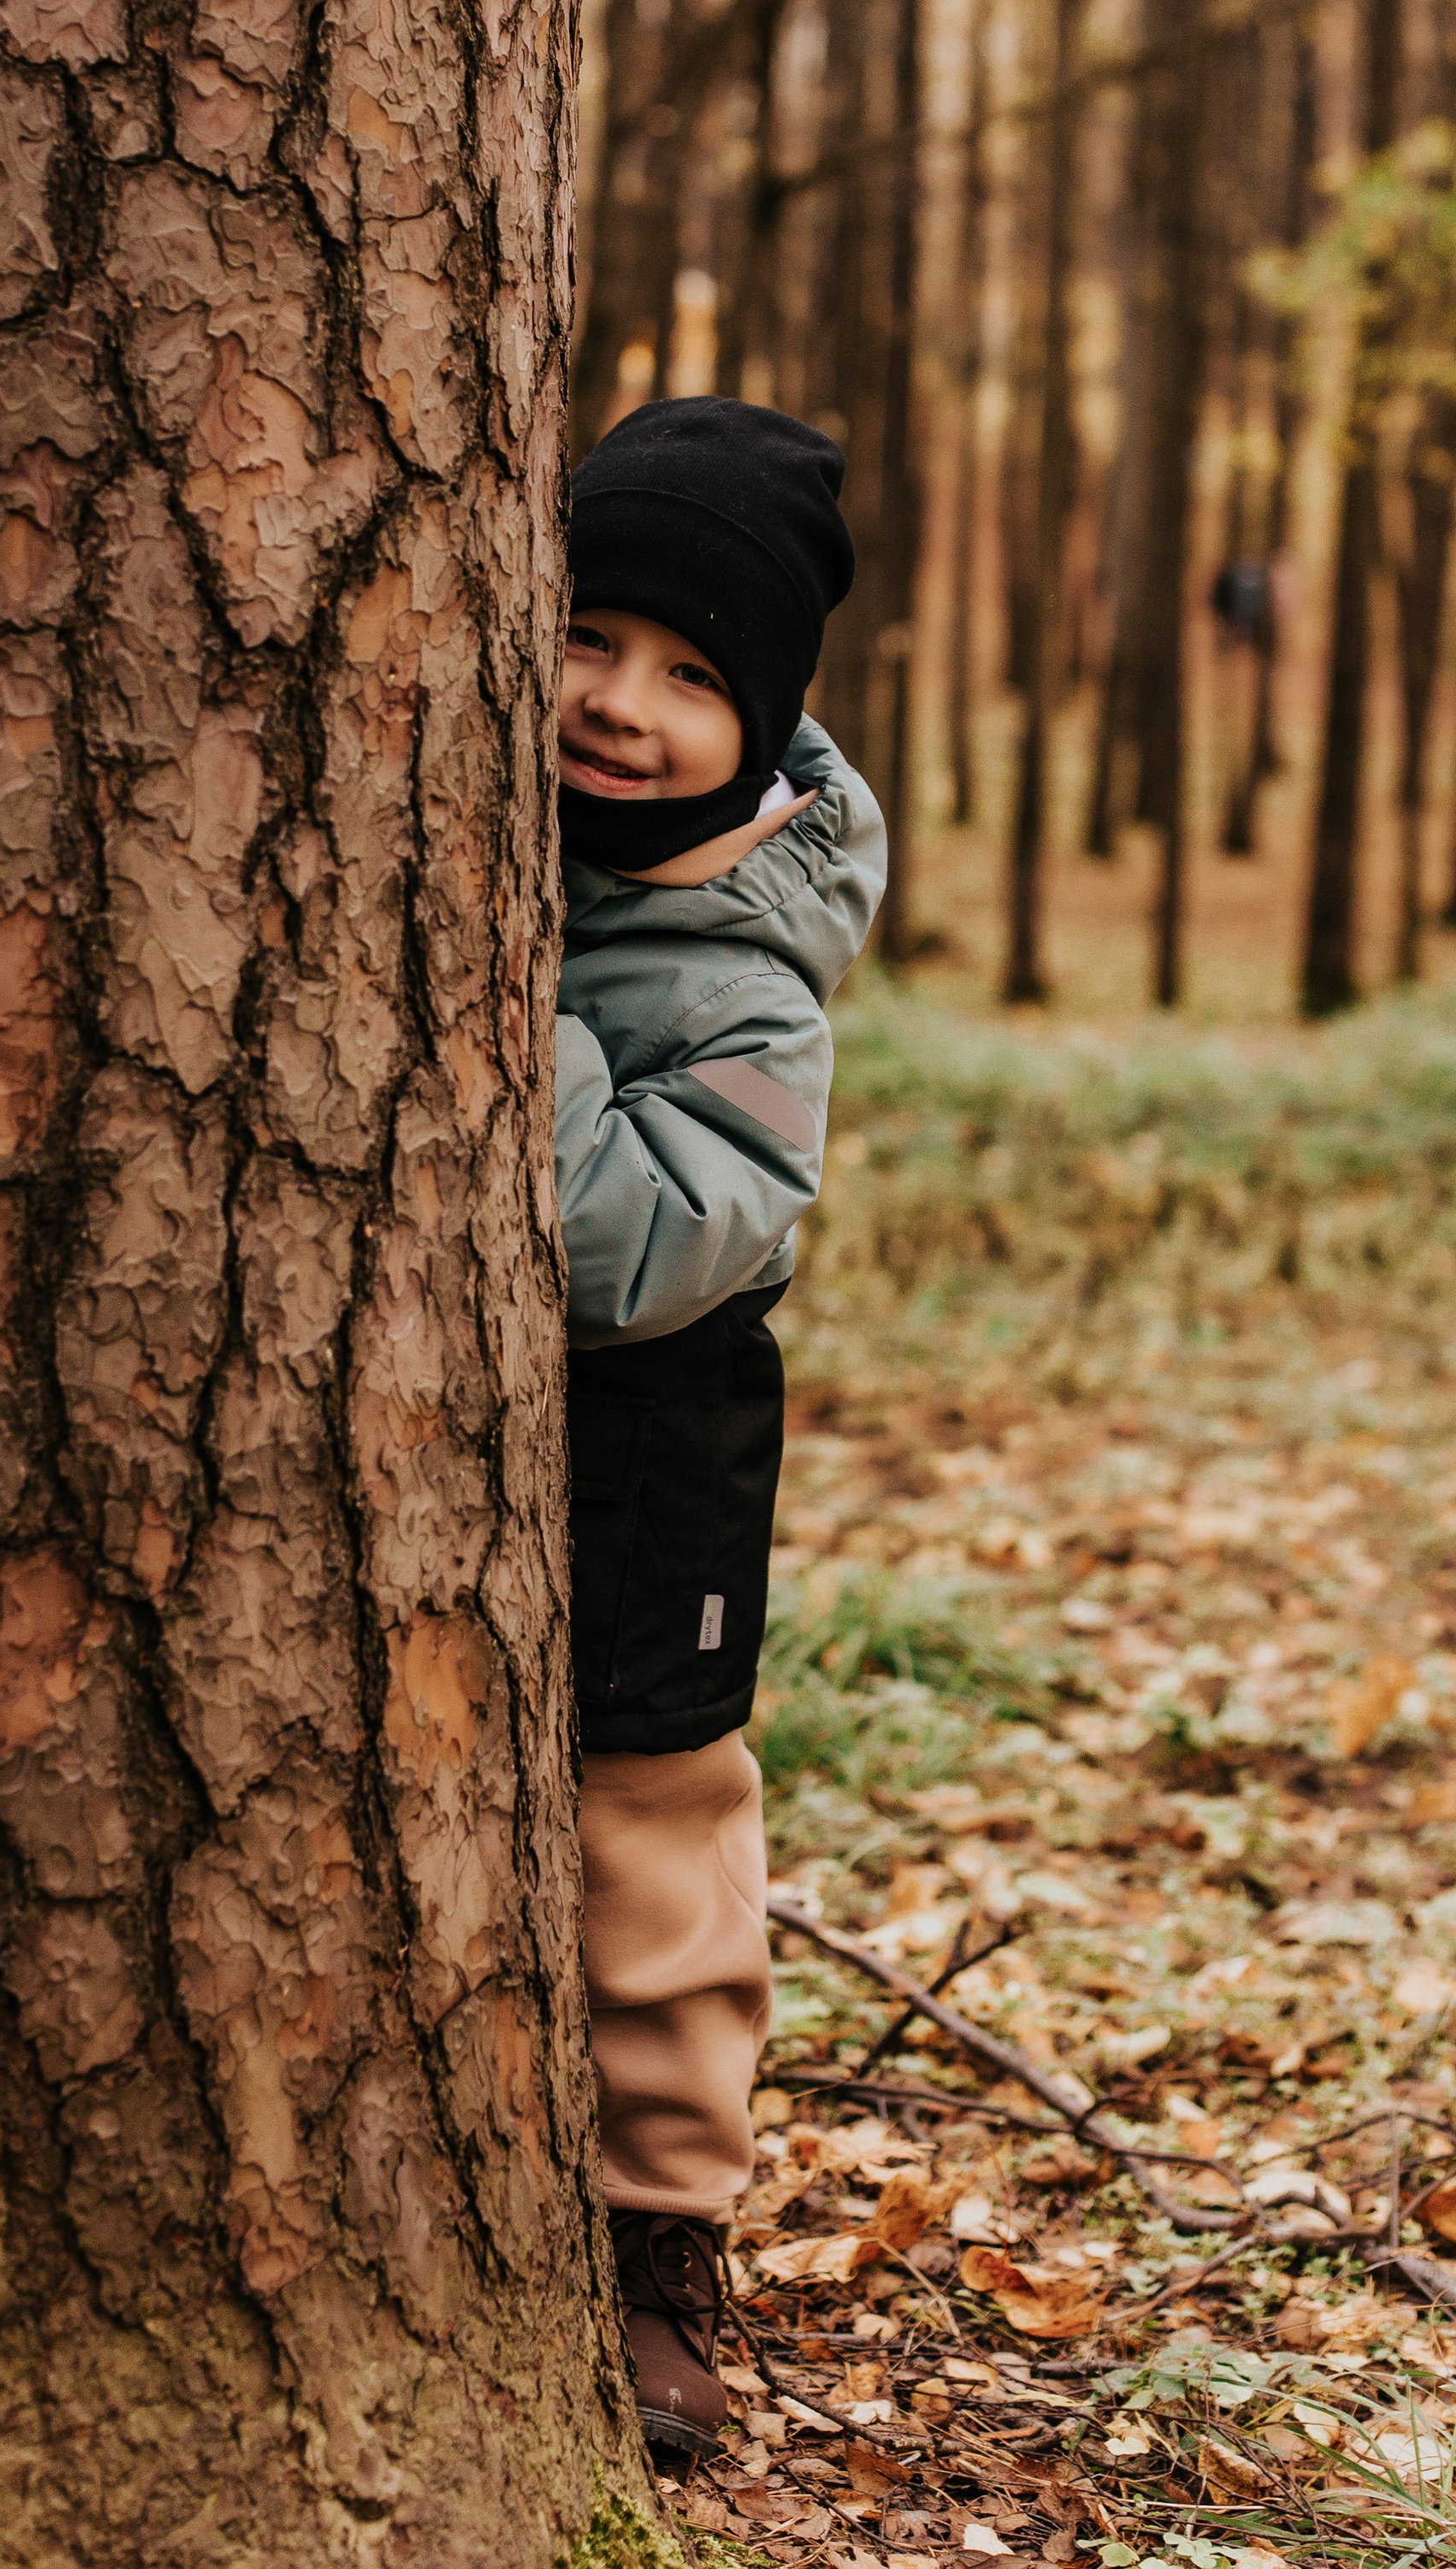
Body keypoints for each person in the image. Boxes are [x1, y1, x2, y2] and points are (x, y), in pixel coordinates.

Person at [555, 396, 884, 2459]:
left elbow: (645, 1240)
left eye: (692, 676)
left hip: (655, 1444)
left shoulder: (753, 981)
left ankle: (659, 2232)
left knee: (653, 1816)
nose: (620, 701)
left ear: (759, 726)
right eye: (589, 635)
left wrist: (503, 995)